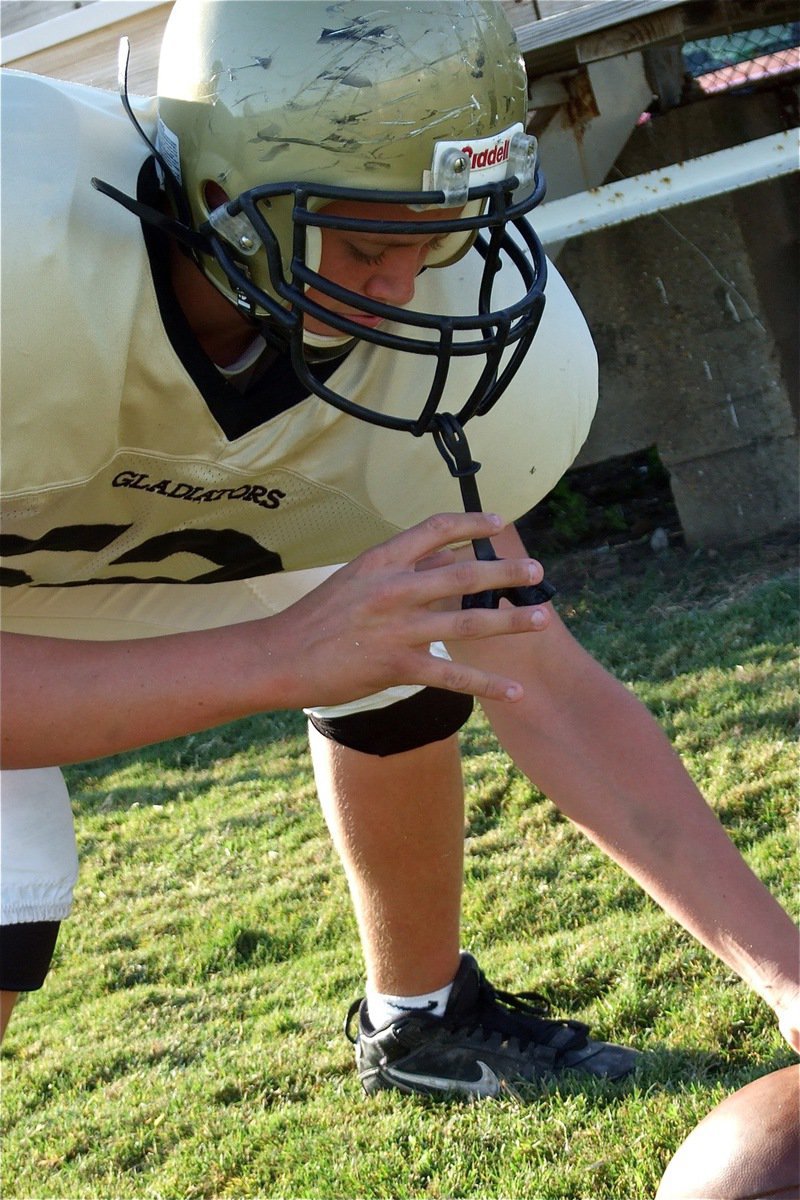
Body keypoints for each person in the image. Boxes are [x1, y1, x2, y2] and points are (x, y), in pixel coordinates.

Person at [1, 0, 797, 1097]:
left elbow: (540, 674)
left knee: (416, 617)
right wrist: (277, 657)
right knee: (13, 871)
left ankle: (418, 1022)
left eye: (435, 241)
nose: (401, 290)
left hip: (89, 550)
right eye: (371, 242)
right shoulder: (22, 254)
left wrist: (786, 978)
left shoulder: (414, 322)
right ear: (223, 197)